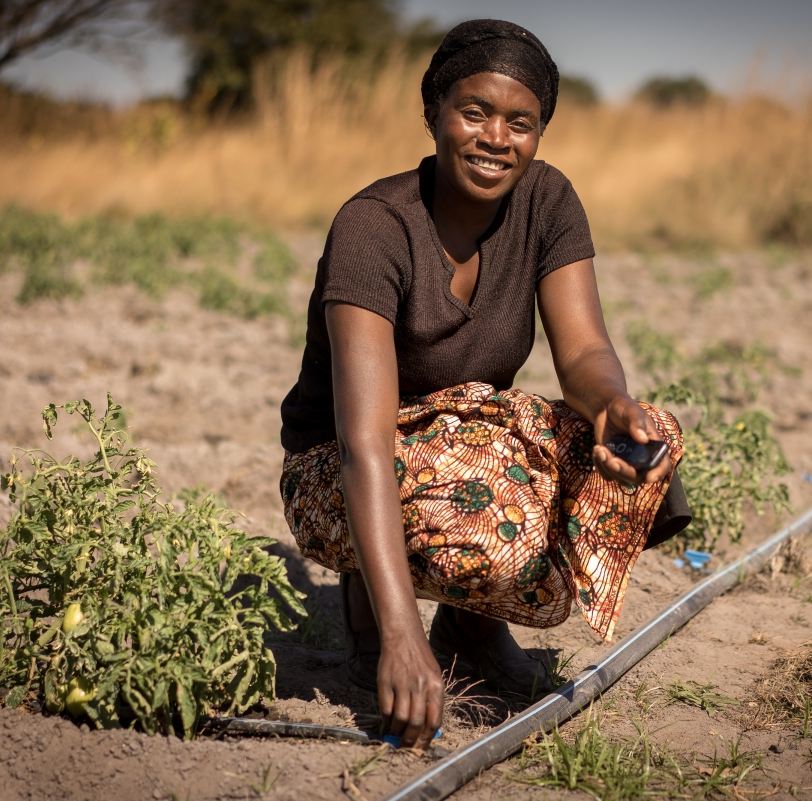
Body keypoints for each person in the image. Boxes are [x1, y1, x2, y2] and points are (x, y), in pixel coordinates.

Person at [278, 19, 690, 751]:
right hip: (341, 471)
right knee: (485, 488)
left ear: (539, 134)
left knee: (643, 443)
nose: (496, 137)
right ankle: (376, 608)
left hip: (461, 440)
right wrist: (406, 639)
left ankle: (470, 626)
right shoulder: (374, 227)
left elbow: (586, 351)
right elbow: (363, 444)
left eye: (520, 122)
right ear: (435, 112)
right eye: (475, 112)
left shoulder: (548, 202)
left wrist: (614, 407)